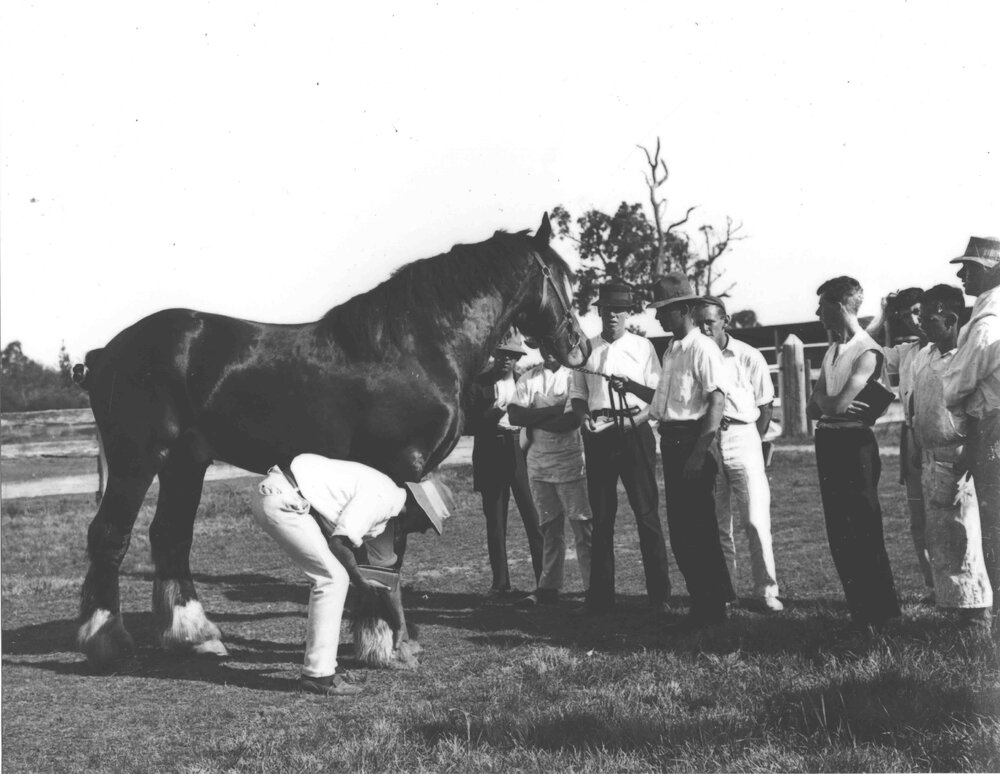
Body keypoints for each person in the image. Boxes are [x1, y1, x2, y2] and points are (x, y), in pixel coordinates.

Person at [250, 455, 451, 696]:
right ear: (418, 508)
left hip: (285, 494)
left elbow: (385, 575)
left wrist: (400, 626)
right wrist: (359, 580)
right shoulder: (382, 499)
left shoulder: (388, 503)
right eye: (428, 522)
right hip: (283, 497)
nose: (424, 530)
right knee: (333, 579)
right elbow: (339, 543)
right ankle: (319, 676)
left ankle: (322, 670)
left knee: (333, 577)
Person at [611, 274, 734, 631]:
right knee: (682, 532)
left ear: (683, 309)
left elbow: (717, 401)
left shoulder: (702, 348)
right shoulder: (672, 349)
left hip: (693, 443)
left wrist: (700, 452)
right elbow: (665, 402)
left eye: (664, 311)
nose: (659, 318)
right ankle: (702, 604)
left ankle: (714, 609)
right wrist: (632, 385)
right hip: (673, 443)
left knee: (700, 530)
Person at [569, 280, 671, 616]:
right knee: (602, 517)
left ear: (629, 313)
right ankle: (601, 597)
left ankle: (659, 596)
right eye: (607, 309)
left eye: (619, 310)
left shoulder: (643, 348)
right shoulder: (588, 349)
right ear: (599, 311)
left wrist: (634, 421)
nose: (613, 315)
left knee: (646, 514)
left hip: (634, 432)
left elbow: (656, 397)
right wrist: (584, 419)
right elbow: (579, 395)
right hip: (599, 434)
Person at [807, 276, 901, 628]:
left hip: (854, 444)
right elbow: (814, 409)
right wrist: (829, 403)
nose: (818, 313)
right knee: (839, 529)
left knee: (863, 527)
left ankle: (884, 612)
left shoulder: (867, 351)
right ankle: (861, 610)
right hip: (829, 441)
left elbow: (834, 403)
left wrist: (829, 403)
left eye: (822, 306)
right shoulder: (833, 350)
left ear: (840, 305)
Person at [909, 284, 993, 630]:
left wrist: (968, 459)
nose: (921, 324)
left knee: (966, 536)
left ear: (952, 317)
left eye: (929, 318)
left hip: (958, 461)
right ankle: (954, 607)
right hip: (930, 457)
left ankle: (978, 615)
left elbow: (975, 411)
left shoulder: (966, 358)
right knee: (941, 538)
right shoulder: (924, 355)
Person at [694, 296, 783, 613]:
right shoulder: (695, 356)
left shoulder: (748, 355)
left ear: (724, 321)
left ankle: (767, 590)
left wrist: (754, 442)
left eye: (710, 321)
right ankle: (726, 591)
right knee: (719, 525)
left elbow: (765, 405)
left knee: (755, 520)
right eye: (699, 322)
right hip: (709, 439)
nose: (704, 328)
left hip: (744, 435)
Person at [506, 340, 593, 606]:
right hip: (538, 463)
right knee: (549, 527)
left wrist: (533, 415)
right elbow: (513, 415)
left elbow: (570, 420)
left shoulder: (573, 376)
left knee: (583, 527)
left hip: (570, 461)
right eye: (544, 345)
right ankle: (549, 586)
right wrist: (552, 411)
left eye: (553, 345)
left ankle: (593, 586)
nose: (549, 350)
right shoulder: (528, 377)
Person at [943, 236, 1000, 615]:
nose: (963, 275)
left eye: (971, 268)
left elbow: (954, 385)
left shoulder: (986, 323)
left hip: (992, 429)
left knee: (995, 528)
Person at [868, 288, 935, 599]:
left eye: (919, 312)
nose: (914, 320)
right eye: (907, 314)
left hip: (942, 436)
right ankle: (932, 584)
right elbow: (863, 346)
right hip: (912, 437)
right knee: (917, 515)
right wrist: (882, 313)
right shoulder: (907, 352)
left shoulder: (954, 347)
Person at [469, 332, 543, 598]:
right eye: (501, 354)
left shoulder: (524, 381)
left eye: (511, 356)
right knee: (496, 521)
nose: (505, 361)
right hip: (490, 448)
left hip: (518, 447)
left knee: (532, 517)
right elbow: (471, 422)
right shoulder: (480, 383)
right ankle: (500, 583)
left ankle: (543, 579)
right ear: (494, 355)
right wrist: (498, 410)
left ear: (518, 359)